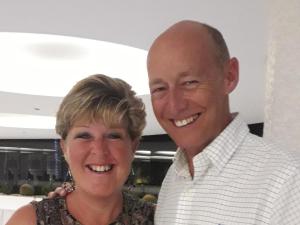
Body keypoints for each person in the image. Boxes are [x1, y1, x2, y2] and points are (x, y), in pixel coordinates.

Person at [147, 20, 300, 224]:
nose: (174, 106)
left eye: (190, 82)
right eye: (159, 89)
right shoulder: (172, 180)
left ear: (229, 76)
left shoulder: (287, 180)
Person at [6, 74, 155, 225]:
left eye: (113, 135)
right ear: (64, 148)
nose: (99, 149)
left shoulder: (161, 218)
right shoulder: (28, 221)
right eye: (84, 135)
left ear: (133, 147)